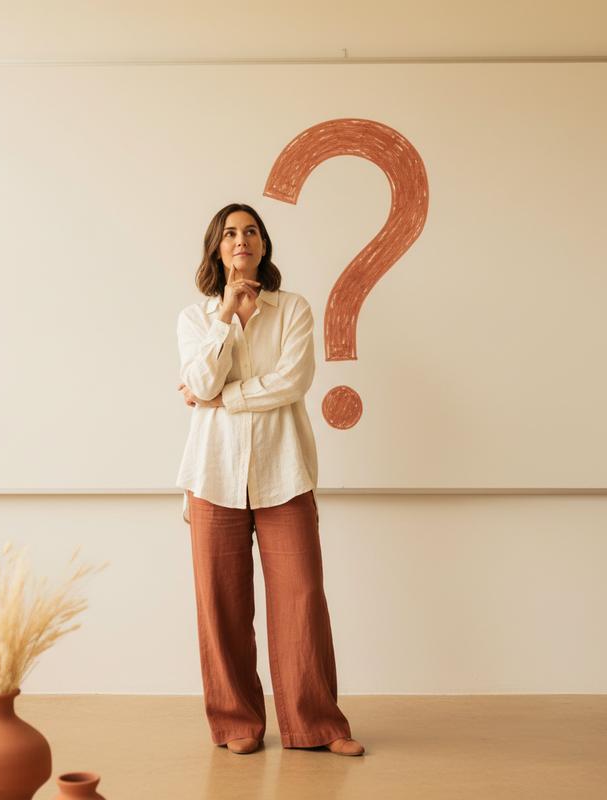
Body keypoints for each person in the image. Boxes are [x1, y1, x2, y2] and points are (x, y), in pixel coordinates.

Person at [175, 202, 365, 757]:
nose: (242, 239)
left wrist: (218, 397)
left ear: (263, 245)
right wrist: (227, 320)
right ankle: (236, 723)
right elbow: (200, 375)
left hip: (284, 473)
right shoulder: (195, 319)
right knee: (221, 605)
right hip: (212, 476)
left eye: (251, 231)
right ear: (217, 247)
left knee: (302, 600)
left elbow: (292, 381)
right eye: (231, 232)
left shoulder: (294, 310)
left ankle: (317, 726)